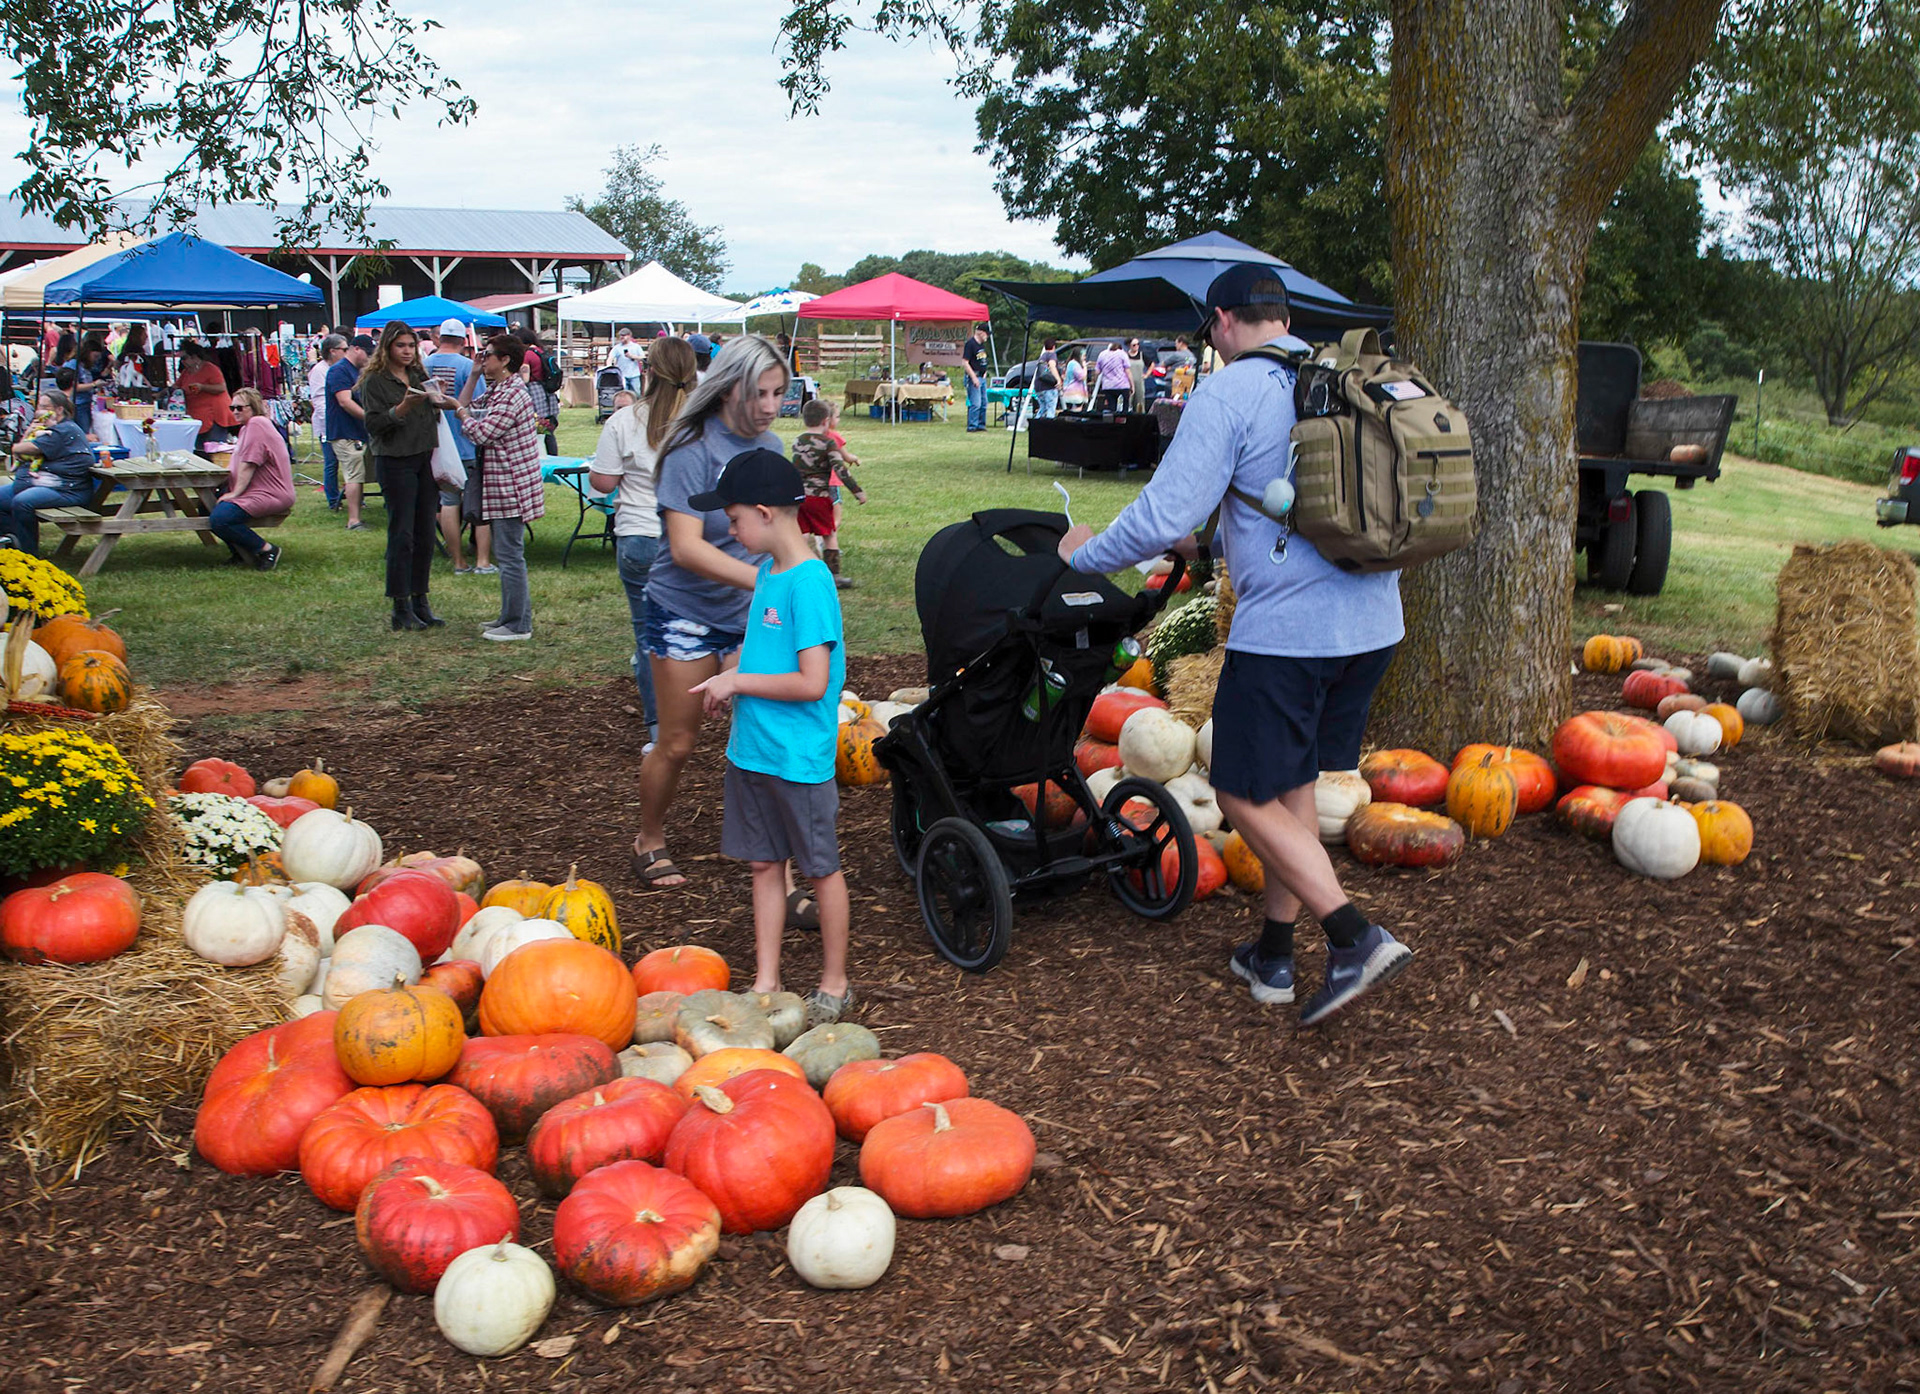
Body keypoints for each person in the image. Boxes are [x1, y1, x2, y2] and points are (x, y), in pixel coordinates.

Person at [1056, 265, 1413, 1028]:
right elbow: (1239, 508)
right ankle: (1274, 956)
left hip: (1290, 635)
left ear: (1220, 322)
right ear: (1282, 315)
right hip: (1374, 622)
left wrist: (1082, 556)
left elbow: (1159, 517)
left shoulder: (1230, 390)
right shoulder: (1336, 376)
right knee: (1288, 783)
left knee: (1241, 794)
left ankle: (1352, 936)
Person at [686, 449, 853, 1025]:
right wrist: (728, 678)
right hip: (751, 751)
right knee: (763, 865)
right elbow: (762, 655)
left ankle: (835, 981)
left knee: (820, 869)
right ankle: (766, 979)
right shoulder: (767, 574)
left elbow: (812, 682)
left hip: (797, 760)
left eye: (733, 520)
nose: (730, 530)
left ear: (764, 512)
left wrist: (738, 679)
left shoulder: (810, 584)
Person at [631, 334, 789, 890]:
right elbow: (686, 548)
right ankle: (649, 838)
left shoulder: (771, 449)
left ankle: (779, 870)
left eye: (778, 393)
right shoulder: (691, 450)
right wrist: (769, 583)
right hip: (683, 613)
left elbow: (781, 533)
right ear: (729, 389)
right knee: (678, 742)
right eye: (759, 393)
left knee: (768, 738)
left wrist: (796, 577)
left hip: (750, 614)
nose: (770, 407)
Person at [590, 335, 697, 747]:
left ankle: (660, 729)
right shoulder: (706, 421)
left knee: (649, 636)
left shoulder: (624, 421)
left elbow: (601, 483)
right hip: (696, 539)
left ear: (647, 370)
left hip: (639, 536)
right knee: (704, 629)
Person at [359, 321, 449, 632]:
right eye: (401, 346)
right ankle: (400, 605)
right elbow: (374, 425)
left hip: (424, 457)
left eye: (411, 345)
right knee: (402, 535)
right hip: (395, 460)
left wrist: (437, 399)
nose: (408, 351)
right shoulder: (375, 381)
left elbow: (431, 416)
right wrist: (402, 408)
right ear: (387, 348)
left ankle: (420, 599)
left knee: (425, 532)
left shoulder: (418, 375)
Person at [453, 334, 544, 641]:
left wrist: (463, 415)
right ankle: (509, 616)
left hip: (511, 486)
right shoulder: (499, 389)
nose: (483, 358)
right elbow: (463, 406)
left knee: (509, 556)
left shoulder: (513, 393)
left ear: (505, 360)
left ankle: (519, 625)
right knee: (506, 556)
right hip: (502, 484)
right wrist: (474, 376)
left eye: (488, 355)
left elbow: (482, 433)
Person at [426, 319, 489, 575]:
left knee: (448, 502)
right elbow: (479, 407)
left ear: (439, 338)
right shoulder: (467, 366)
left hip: (438, 446)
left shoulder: (424, 365)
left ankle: (458, 561)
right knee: (480, 502)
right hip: (466, 442)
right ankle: (483, 560)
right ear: (464, 341)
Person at [0, 392, 98, 555]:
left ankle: (28, 553)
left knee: (22, 502)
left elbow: (24, 448)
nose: (39, 410)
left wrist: (17, 447)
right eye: (39, 406)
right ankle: (13, 542)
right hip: (42, 484)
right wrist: (28, 433)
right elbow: (22, 447)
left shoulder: (62, 429)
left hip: (67, 489)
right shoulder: (46, 427)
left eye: (45, 407)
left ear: (59, 410)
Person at [210, 388, 293, 570]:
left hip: (270, 493)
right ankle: (239, 552)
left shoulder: (257, 424)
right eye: (232, 408)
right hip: (253, 490)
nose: (235, 412)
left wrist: (235, 493)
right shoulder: (246, 428)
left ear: (253, 407)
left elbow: (249, 463)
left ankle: (267, 549)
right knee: (206, 504)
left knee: (220, 518)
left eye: (240, 408)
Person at [791, 398, 865, 588]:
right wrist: (857, 491)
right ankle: (834, 576)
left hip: (799, 497)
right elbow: (840, 469)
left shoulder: (798, 441)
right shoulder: (828, 443)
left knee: (802, 533)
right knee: (829, 534)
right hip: (819, 497)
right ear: (826, 421)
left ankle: (796, 568)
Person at [327, 335, 373, 530]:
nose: (369, 358)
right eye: (367, 353)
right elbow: (345, 401)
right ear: (355, 349)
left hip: (358, 432)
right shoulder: (339, 371)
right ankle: (353, 520)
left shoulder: (356, 370)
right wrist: (372, 419)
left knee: (359, 474)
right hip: (345, 432)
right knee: (354, 475)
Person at [176, 341, 238, 448]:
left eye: (184, 358)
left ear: (194, 357)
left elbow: (221, 388)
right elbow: (176, 386)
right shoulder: (186, 372)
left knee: (214, 449)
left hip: (215, 417)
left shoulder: (210, 368)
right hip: (198, 418)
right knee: (200, 451)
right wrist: (159, 393)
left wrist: (202, 387)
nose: (182, 362)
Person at [514, 326, 560, 455]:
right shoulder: (541, 351)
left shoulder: (527, 354)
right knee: (548, 429)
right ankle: (553, 456)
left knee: (539, 428)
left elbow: (525, 378)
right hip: (547, 393)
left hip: (535, 392)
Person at [309, 335, 342, 508]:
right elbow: (319, 400)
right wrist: (329, 425)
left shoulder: (340, 368)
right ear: (332, 351)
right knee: (331, 463)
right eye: (343, 349)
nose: (346, 352)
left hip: (342, 423)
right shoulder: (319, 371)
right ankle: (333, 499)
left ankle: (355, 497)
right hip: (328, 426)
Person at [962, 324, 989, 431]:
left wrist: (985, 371)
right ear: (981, 332)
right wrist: (973, 377)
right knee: (976, 403)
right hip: (974, 377)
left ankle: (981, 425)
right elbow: (965, 362)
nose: (987, 336)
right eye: (986, 334)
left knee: (983, 403)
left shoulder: (981, 345)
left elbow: (982, 360)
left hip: (982, 377)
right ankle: (972, 426)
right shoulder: (970, 344)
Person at [1094, 340, 1132, 413]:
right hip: (1122, 386)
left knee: (1111, 408)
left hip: (1108, 386)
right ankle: (1124, 422)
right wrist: (1132, 385)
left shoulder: (1102, 354)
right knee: (1125, 409)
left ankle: (1112, 422)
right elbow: (1128, 371)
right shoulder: (1122, 354)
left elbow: (1097, 372)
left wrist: (1096, 382)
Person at [607, 327, 645, 395]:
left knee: (637, 393)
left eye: (624, 335)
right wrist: (609, 367)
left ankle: (636, 405)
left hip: (634, 375)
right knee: (624, 394)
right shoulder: (617, 348)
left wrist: (632, 356)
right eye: (621, 335)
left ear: (629, 336)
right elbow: (610, 357)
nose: (622, 337)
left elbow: (643, 357)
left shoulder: (636, 347)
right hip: (622, 375)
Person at [1032, 338, 1061, 419]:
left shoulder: (1042, 356)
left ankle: (1036, 425)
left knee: (1043, 408)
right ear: (1054, 347)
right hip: (1049, 387)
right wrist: (1058, 379)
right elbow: (1052, 366)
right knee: (1051, 409)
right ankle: (1049, 427)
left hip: (1038, 387)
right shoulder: (1052, 355)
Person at [1061, 346, 1089, 411]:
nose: (1085, 358)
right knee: (1076, 411)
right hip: (1075, 393)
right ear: (1079, 355)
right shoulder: (1074, 364)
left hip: (1071, 392)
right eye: (1083, 356)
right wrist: (1085, 367)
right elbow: (1082, 377)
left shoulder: (1071, 363)